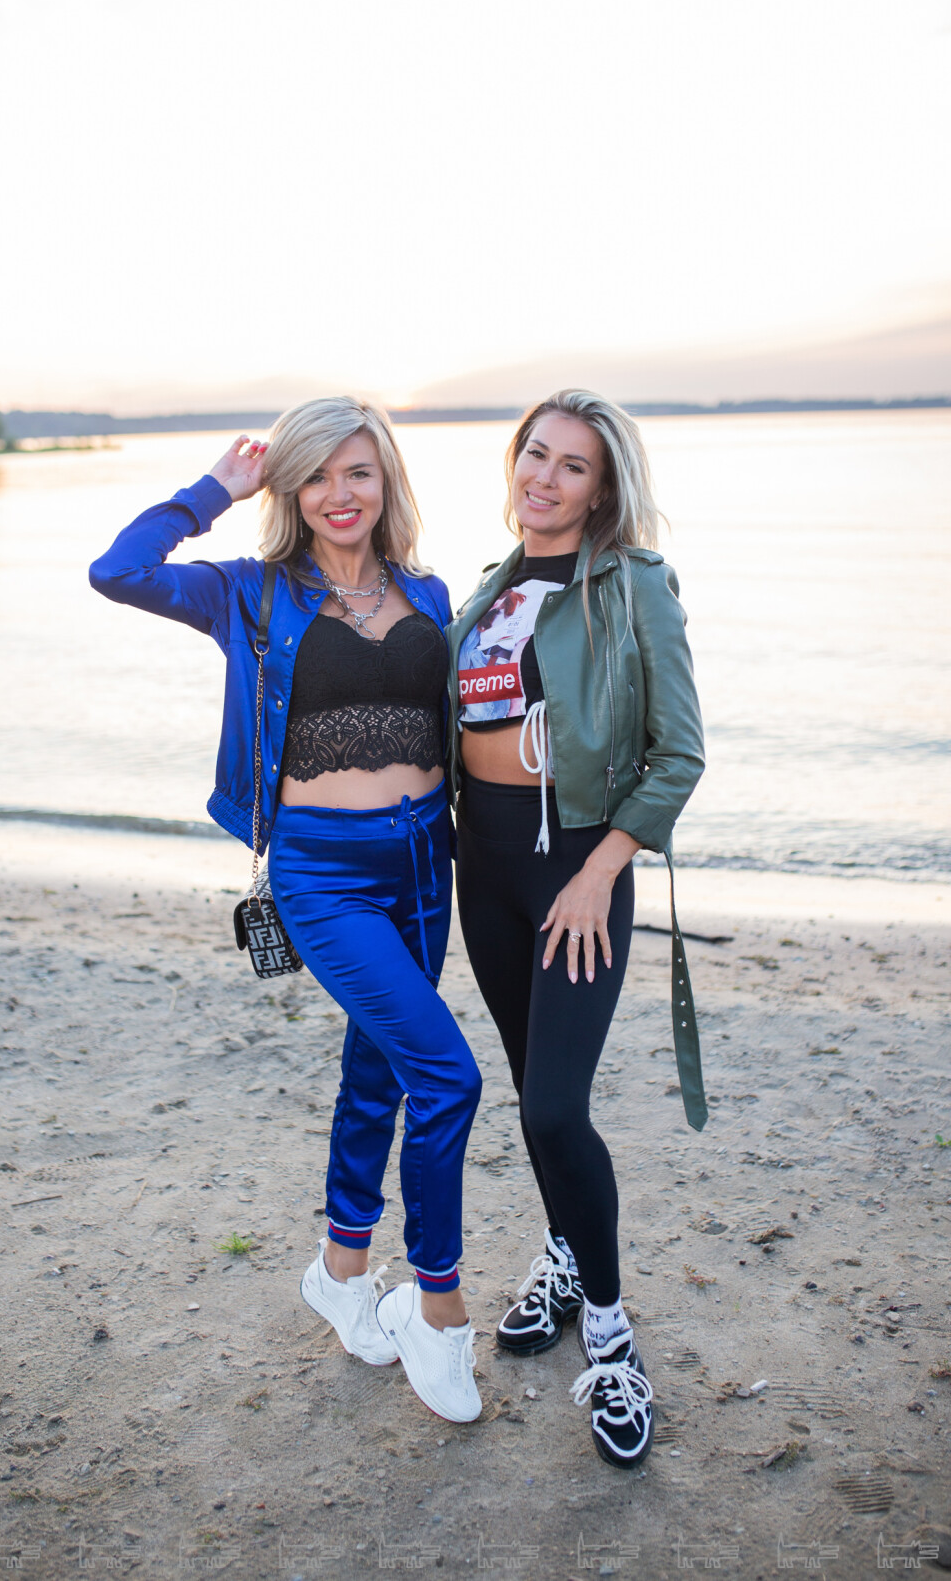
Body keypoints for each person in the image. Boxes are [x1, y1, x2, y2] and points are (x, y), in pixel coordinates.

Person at [90, 397, 482, 1424]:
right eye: (315, 475)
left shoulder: (429, 591)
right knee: (449, 1077)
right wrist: (212, 490)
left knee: (381, 1071)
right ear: (288, 488)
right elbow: (117, 570)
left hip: (426, 862)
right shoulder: (250, 592)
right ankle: (437, 1310)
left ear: (386, 479)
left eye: (357, 472)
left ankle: (342, 1271)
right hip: (323, 873)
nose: (338, 494)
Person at [446, 389, 706, 1466]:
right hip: (484, 862)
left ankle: (607, 1330)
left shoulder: (633, 584)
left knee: (557, 1108)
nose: (543, 478)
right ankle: (562, 1253)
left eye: (572, 466)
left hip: (577, 869)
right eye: (534, 455)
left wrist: (602, 871)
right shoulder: (487, 590)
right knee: (528, 1091)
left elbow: (679, 753)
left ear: (603, 491)